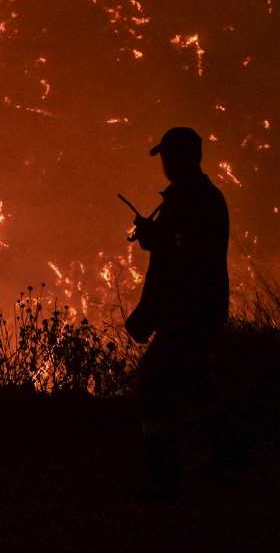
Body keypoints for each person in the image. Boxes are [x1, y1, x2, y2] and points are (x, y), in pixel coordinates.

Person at [125, 126, 230, 497]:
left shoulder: (190, 202)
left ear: (182, 157)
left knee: (154, 384)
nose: (164, 164)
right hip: (200, 309)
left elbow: (180, 263)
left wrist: (148, 315)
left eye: (168, 156)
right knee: (198, 383)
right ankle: (225, 460)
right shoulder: (202, 199)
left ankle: (164, 475)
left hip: (186, 312)